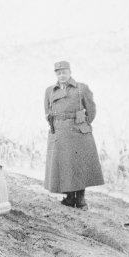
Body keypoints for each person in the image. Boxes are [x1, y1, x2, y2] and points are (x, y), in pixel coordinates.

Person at [43, 60, 104, 209]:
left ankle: (81, 199)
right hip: (59, 132)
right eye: (59, 73)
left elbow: (91, 110)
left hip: (77, 133)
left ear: (70, 72)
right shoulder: (50, 91)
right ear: (56, 74)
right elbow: (47, 111)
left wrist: (82, 123)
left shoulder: (81, 89)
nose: (62, 75)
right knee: (64, 166)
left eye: (64, 72)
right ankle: (70, 198)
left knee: (78, 166)